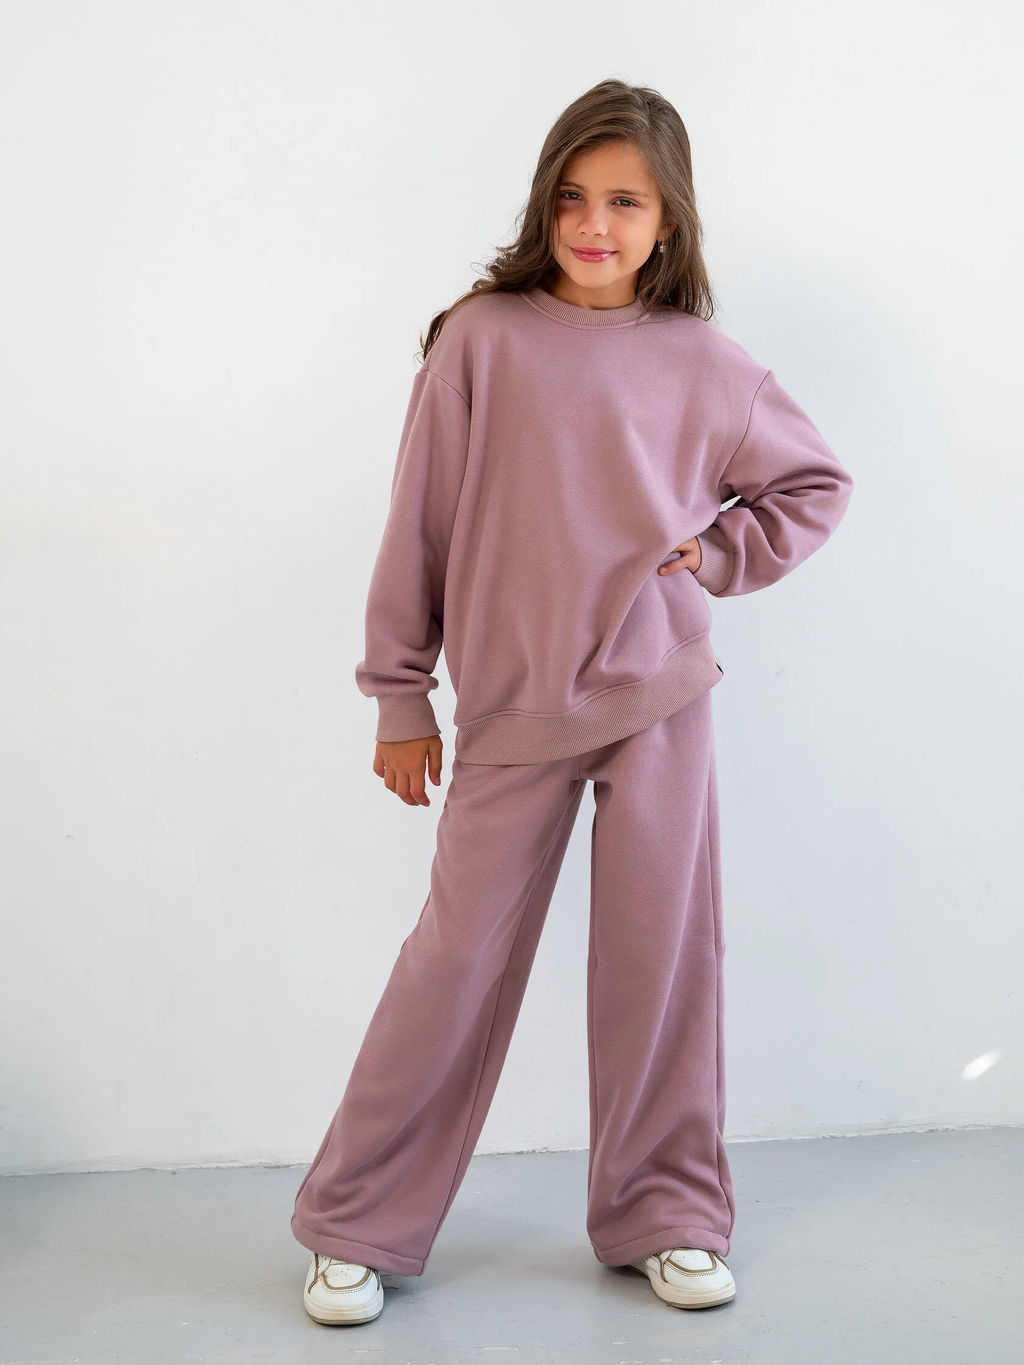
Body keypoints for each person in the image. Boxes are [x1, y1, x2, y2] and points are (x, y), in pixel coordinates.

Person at [294, 76, 854, 1326]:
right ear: (544, 204)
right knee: (454, 959)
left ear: (669, 221)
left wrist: (715, 553)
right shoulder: (480, 341)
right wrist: (398, 696)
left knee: (662, 959)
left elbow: (812, 484)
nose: (594, 224)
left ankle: (667, 1213)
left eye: (625, 202)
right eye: (572, 196)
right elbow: (418, 527)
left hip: (657, 697)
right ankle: (357, 1221)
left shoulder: (706, 364)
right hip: (510, 705)